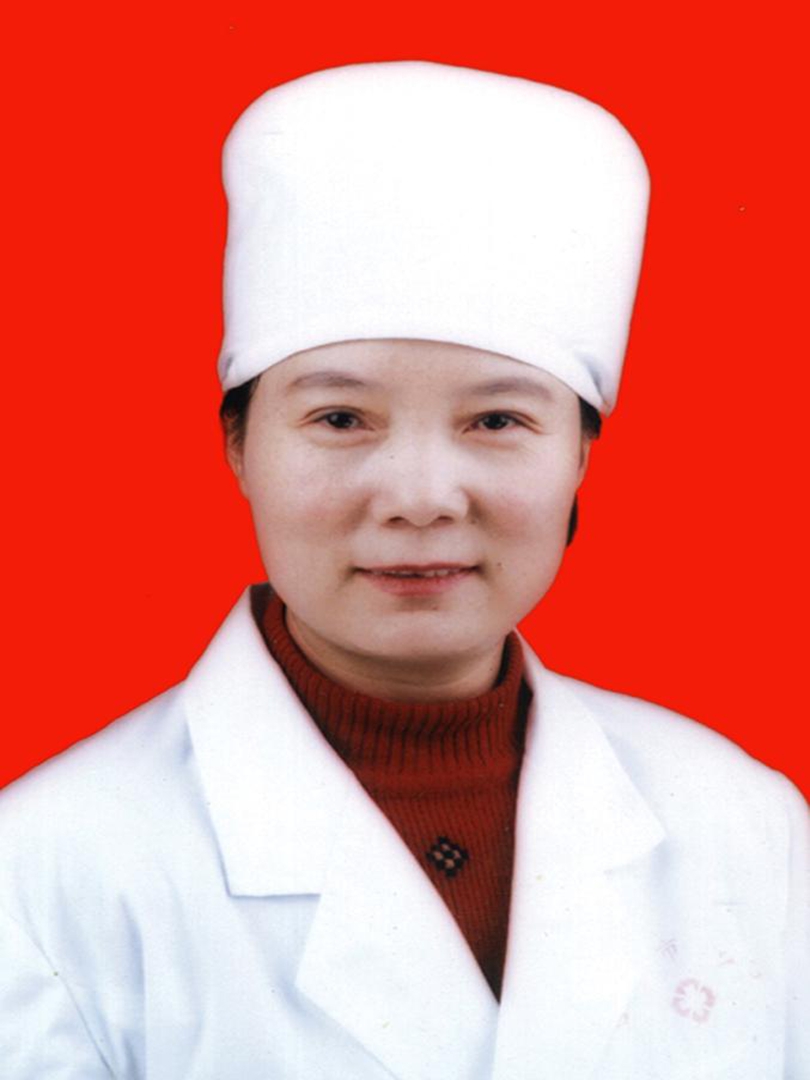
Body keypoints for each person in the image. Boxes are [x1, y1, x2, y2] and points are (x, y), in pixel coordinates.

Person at [1, 61, 807, 1080]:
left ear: (581, 455)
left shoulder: (742, 822)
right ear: (239, 447)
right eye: (341, 417)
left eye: (497, 420)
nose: (422, 496)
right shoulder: (43, 869)